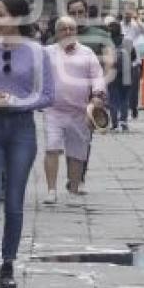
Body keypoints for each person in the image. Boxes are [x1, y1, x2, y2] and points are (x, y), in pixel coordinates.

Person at [0, 0, 54, 288]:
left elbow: (47, 95)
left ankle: (8, 263)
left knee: (15, 201)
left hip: (21, 130)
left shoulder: (37, 52)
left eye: (0, 14)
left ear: (17, 18)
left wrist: (14, 102)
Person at [43, 16, 107, 205]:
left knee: (77, 153)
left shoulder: (87, 53)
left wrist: (98, 95)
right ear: (57, 33)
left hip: (80, 111)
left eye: (72, 29)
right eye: (64, 29)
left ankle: (73, 189)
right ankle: (51, 190)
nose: (68, 32)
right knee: (52, 147)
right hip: (53, 110)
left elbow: (97, 76)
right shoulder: (47, 52)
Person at [105, 17, 135, 131]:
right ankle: (123, 121)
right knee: (124, 98)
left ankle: (114, 123)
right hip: (127, 74)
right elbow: (134, 57)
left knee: (113, 98)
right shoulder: (128, 42)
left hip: (112, 73)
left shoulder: (107, 42)